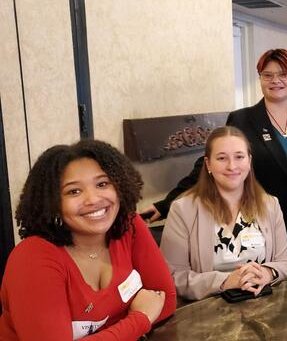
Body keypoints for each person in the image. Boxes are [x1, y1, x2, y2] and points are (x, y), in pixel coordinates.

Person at [142, 49, 287, 250]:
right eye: (268, 75)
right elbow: (210, 164)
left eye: (283, 74)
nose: (276, 80)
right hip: (261, 216)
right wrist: (165, 205)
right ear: (260, 79)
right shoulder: (243, 119)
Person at [0, 140, 176, 340]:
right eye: (74, 191)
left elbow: (165, 299)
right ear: (53, 203)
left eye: (102, 184)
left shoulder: (128, 224)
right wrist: (140, 319)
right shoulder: (32, 259)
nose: (93, 199)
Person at [160, 126, 287, 301]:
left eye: (239, 157)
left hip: (264, 306)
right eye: (222, 158)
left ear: (249, 161)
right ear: (208, 164)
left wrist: (267, 273)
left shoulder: (270, 204)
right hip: (208, 313)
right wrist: (226, 281)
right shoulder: (183, 210)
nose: (232, 166)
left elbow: (286, 264)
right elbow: (172, 277)